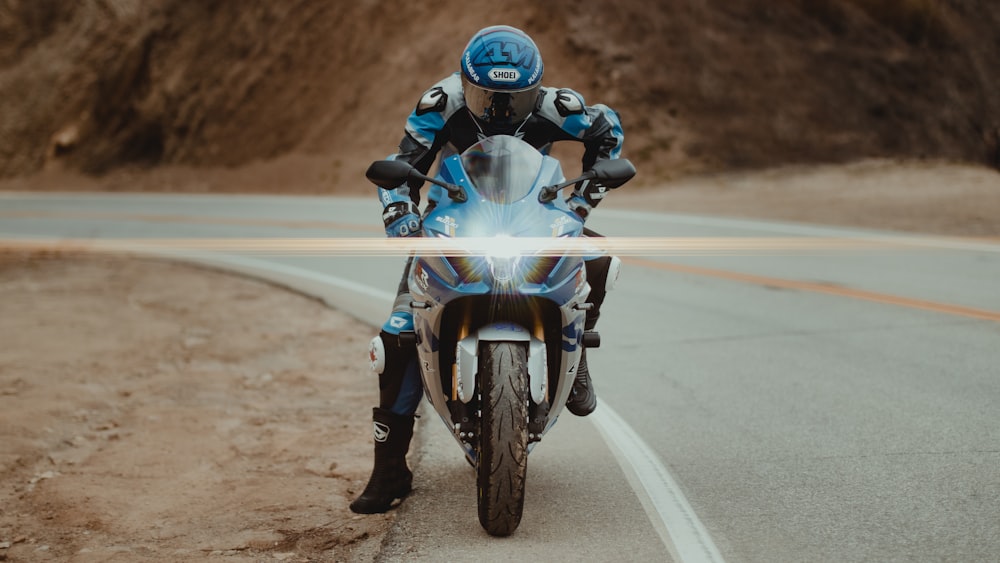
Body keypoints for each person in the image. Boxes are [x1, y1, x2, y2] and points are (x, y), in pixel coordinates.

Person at [350, 24, 625, 514]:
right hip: (456, 222)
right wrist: (402, 218)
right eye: (486, 95)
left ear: (534, 91)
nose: (498, 108)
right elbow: (400, 165)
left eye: (512, 100)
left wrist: (580, 207)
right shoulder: (440, 104)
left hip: (532, 216)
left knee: (598, 260)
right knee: (397, 336)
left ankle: (579, 352)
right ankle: (389, 469)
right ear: (465, 82)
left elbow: (610, 132)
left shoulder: (558, 107)